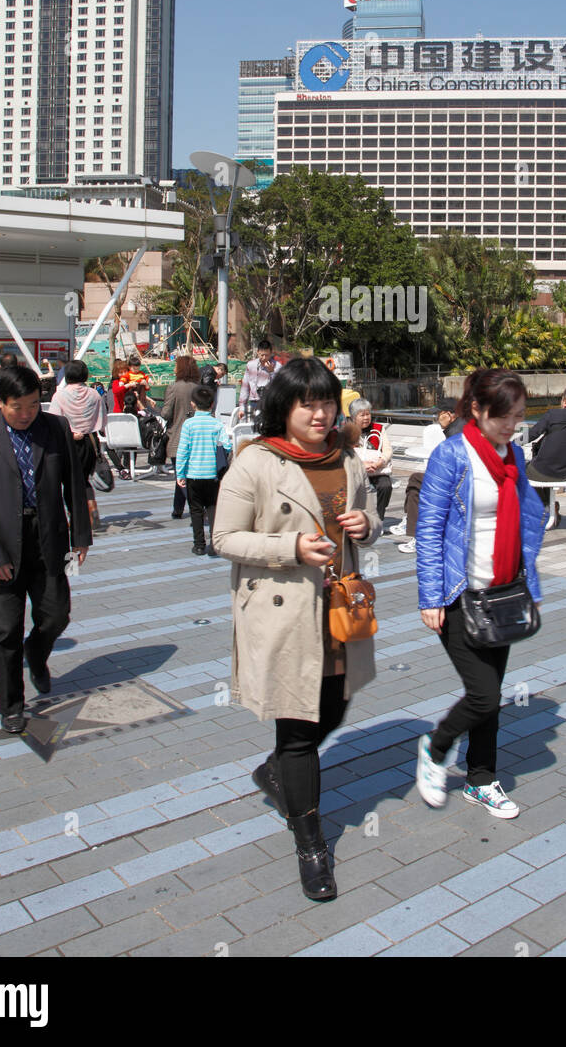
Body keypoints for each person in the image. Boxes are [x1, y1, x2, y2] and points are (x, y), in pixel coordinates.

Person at [211, 356, 380, 901]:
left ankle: (276, 770)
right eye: (308, 403)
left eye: (328, 401)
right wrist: (291, 548)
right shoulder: (256, 462)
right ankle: (311, 846)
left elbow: (370, 514)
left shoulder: (347, 459)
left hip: (337, 609)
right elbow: (224, 538)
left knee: (336, 705)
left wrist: (366, 525)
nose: (321, 413)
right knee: (300, 727)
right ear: (283, 407)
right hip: (284, 613)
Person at [415, 368, 545, 819]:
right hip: (458, 593)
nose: (512, 425)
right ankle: (435, 748)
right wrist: (431, 598)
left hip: (503, 590)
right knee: (484, 695)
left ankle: (482, 779)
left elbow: (529, 520)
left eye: (520, 416)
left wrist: (532, 583)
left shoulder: (515, 455)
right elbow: (429, 528)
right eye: (503, 416)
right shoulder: (452, 456)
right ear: (476, 409)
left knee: (491, 691)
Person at [0, 364, 92, 733]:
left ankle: (38, 650)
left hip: (49, 537)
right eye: (17, 406)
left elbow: (74, 483)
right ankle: (11, 705)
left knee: (56, 614)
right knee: (4, 631)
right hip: (2, 547)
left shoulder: (55, 429)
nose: (26, 413)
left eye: (33, 404)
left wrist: (80, 534)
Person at [393, 401, 463, 555]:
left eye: (439, 414)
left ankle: (416, 534)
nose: (437, 418)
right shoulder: (458, 427)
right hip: (457, 480)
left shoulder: (455, 432)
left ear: (449, 415)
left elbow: (453, 465)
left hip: (456, 484)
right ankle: (409, 523)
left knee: (415, 484)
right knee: (415, 481)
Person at [49, 360, 107, 534]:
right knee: (83, 479)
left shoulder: (60, 395)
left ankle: (76, 515)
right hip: (90, 441)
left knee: (68, 481)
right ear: (85, 375)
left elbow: (54, 421)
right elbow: (102, 421)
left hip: (68, 442)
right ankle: (91, 507)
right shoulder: (94, 395)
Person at [176, 384, 232, 556]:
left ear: (193, 404)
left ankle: (199, 544)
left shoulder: (188, 425)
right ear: (212, 404)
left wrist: (180, 473)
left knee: (195, 509)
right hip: (213, 474)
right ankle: (215, 545)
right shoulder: (217, 424)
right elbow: (227, 446)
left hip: (193, 474)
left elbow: (183, 450)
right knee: (213, 508)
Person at [525, 386, 566, 523]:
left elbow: (532, 434)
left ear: (565, 402)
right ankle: (548, 506)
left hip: (542, 471)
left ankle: (544, 506)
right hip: (565, 474)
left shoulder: (553, 415)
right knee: (539, 470)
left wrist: (509, 444)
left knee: (518, 470)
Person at [162, 355, 201, 519]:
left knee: (180, 476)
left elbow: (166, 413)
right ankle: (187, 507)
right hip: (196, 437)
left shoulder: (174, 387)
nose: (173, 369)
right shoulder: (198, 387)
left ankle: (183, 508)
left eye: (176, 366)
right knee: (192, 475)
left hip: (177, 436)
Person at [346, 399, 393, 521]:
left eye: (368, 414)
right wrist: (361, 465)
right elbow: (343, 452)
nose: (366, 418)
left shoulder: (378, 428)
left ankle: (379, 518)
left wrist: (380, 462)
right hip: (355, 471)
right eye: (362, 415)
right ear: (353, 416)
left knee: (385, 485)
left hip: (376, 469)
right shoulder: (346, 430)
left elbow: (387, 450)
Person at [238, 339, 280, 418]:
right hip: (254, 402)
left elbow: (279, 387)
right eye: (261, 355)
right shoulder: (251, 365)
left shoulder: (277, 366)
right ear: (257, 352)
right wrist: (242, 408)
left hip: (270, 403)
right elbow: (245, 387)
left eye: (267, 355)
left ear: (271, 353)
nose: (264, 358)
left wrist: (272, 372)